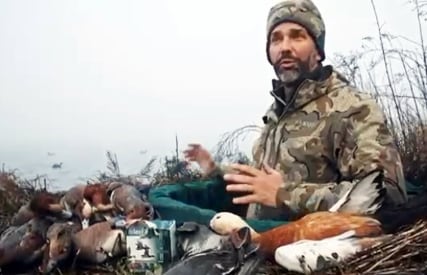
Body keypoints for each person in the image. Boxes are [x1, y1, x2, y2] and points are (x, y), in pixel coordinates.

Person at [184, 0, 408, 222]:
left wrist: (286, 195)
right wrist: (216, 170)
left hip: (319, 254)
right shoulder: (275, 116)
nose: (285, 47)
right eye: (276, 39)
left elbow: (388, 196)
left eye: (297, 36)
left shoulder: (354, 108)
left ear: (318, 51)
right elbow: (260, 184)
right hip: (259, 249)